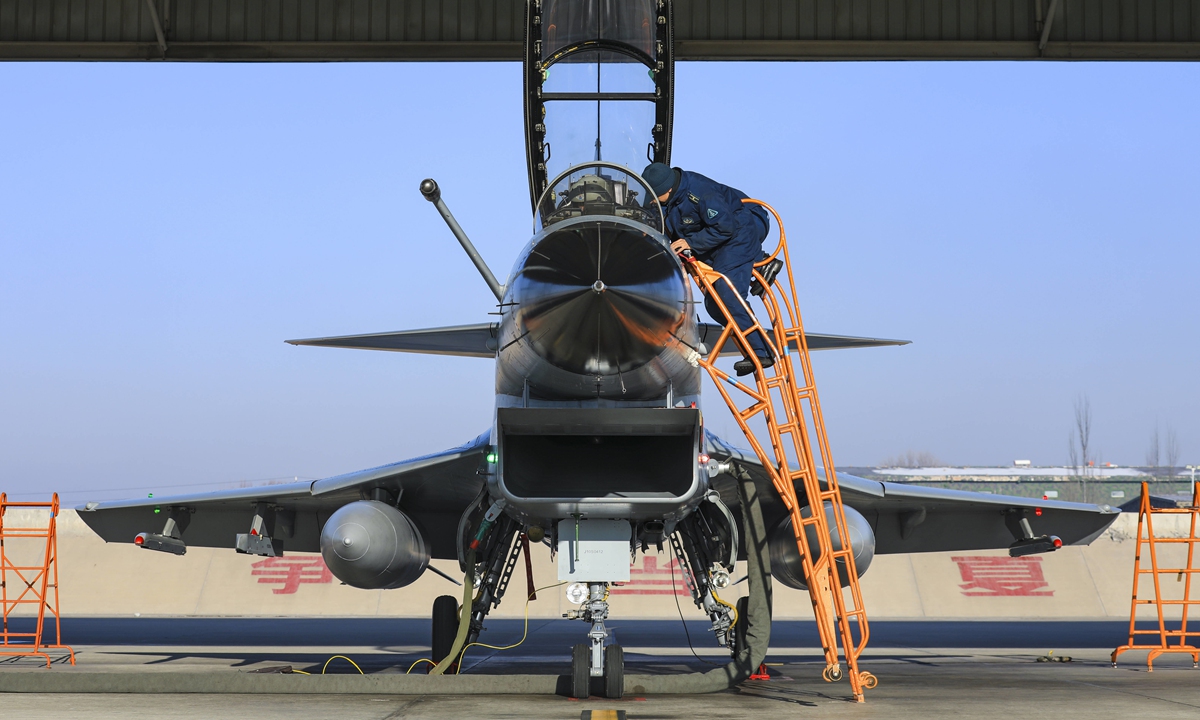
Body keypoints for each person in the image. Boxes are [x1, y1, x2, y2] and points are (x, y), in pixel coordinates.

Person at [642, 162, 775, 376]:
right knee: (713, 305)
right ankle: (752, 347)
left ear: (667, 189)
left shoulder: (700, 192)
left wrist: (690, 243)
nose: (652, 202)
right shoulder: (669, 198)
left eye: (655, 196)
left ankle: (762, 352)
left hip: (737, 236)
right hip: (718, 242)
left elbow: (725, 227)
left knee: (727, 293)